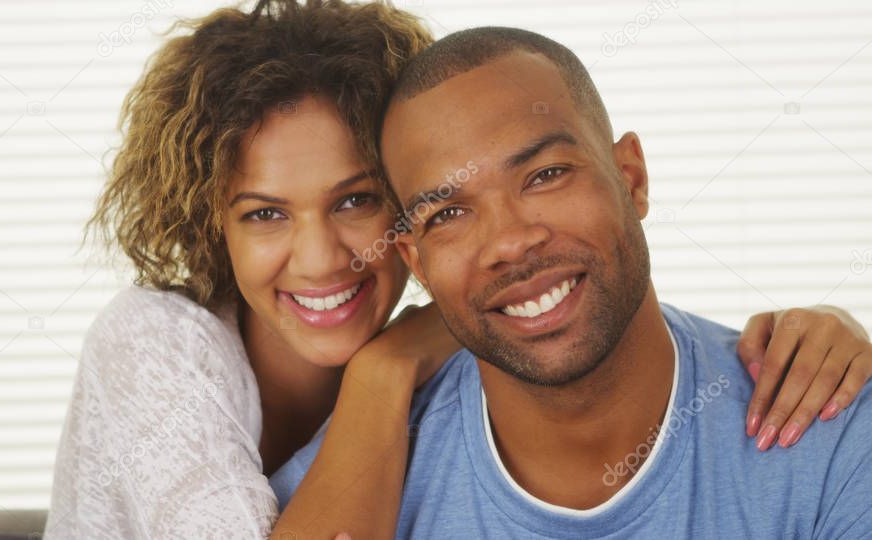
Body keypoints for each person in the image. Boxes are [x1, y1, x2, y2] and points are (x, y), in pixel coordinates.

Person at [44, 2, 872, 537]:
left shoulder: (817, 430)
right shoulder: (158, 351)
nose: (324, 255)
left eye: (356, 200)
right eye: (264, 212)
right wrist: (385, 365)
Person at [270, 26, 872, 538]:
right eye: (447, 213)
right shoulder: (341, 487)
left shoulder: (833, 431)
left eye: (546, 174)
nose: (509, 241)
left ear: (630, 178)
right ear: (416, 262)